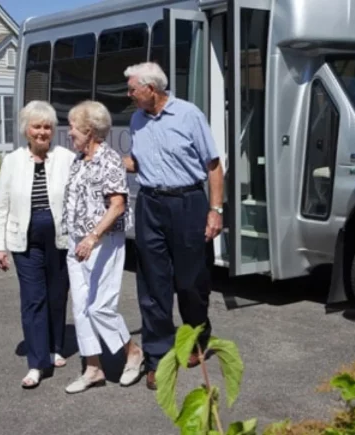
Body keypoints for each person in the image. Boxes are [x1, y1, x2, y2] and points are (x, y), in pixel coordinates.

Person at [122, 62, 224, 390]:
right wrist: (120, 162)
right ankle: (158, 359)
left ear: (151, 89)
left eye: (133, 89)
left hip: (188, 203)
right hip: (150, 204)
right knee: (153, 285)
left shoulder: (189, 114)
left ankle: (197, 339)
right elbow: (140, 161)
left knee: (191, 282)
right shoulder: (137, 119)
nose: (129, 94)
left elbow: (213, 165)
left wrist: (215, 210)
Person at [0, 100, 76, 389]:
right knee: (33, 298)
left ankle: (56, 346)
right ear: (27, 130)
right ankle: (37, 364)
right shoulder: (12, 161)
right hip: (23, 240)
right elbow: (0, 206)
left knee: (56, 294)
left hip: (59, 239)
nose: (42, 132)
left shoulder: (65, 157)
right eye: (37, 126)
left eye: (47, 126)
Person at [62, 100, 145, 394]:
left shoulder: (109, 160)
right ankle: (93, 368)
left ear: (90, 130)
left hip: (103, 242)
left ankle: (133, 352)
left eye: (73, 127)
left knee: (99, 307)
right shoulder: (78, 160)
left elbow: (118, 205)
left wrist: (92, 236)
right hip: (77, 244)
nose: (69, 132)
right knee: (82, 307)